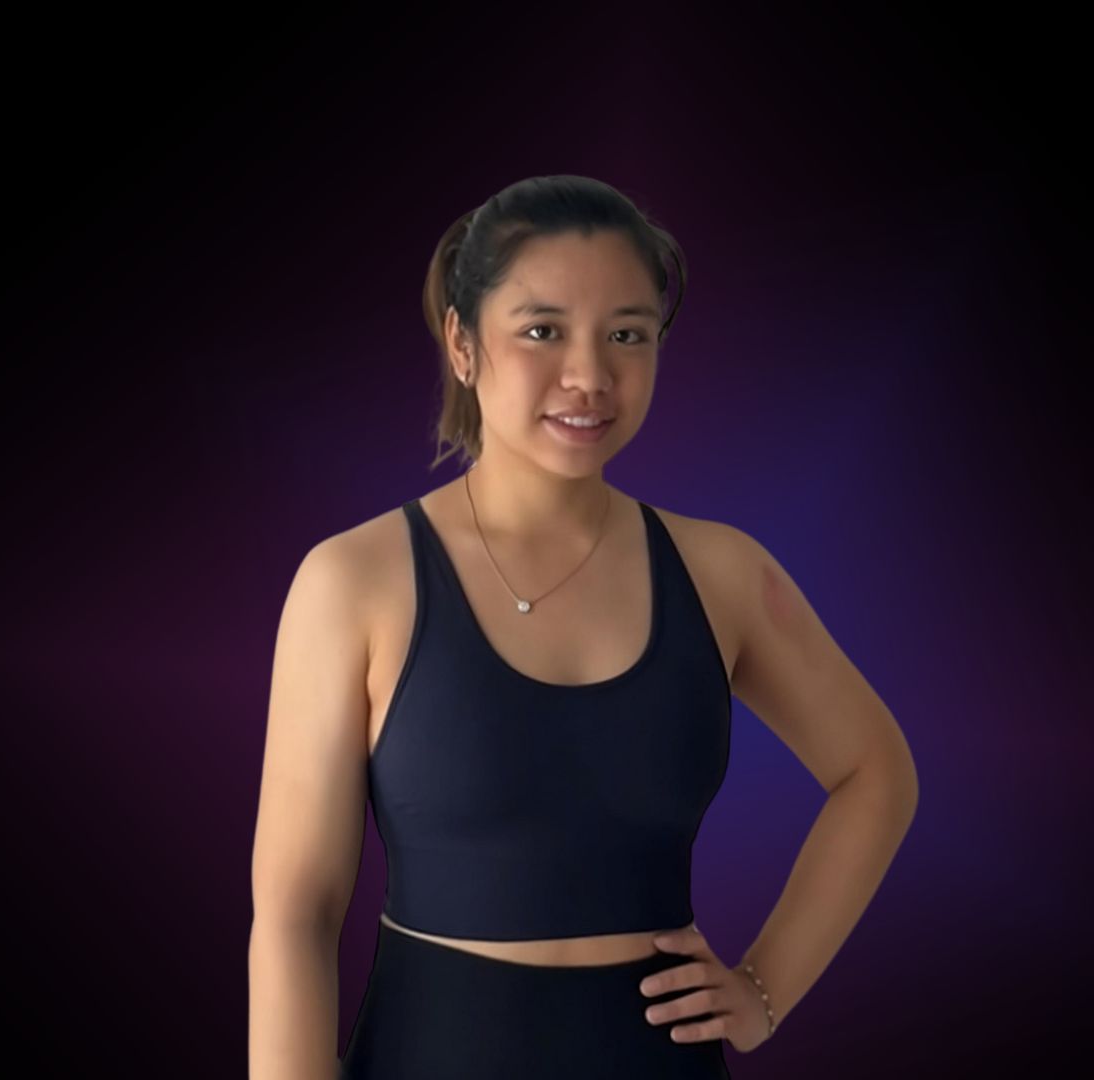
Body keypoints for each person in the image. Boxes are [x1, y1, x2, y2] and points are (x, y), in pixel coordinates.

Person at [247, 175, 919, 1079]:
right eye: (542, 330)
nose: (590, 376)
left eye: (627, 334)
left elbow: (876, 771)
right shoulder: (354, 581)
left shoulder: (722, 573)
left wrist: (764, 991)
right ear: (462, 342)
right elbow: (297, 914)